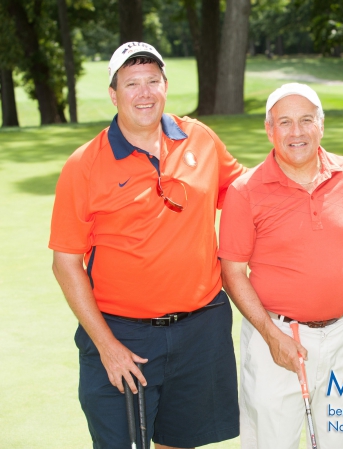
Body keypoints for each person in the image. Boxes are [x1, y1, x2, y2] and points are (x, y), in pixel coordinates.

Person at [49, 42, 245, 449]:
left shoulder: (200, 139)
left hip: (200, 328)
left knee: (180, 443)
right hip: (123, 335)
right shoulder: (84, 164)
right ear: (113, 93)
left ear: (166, 86)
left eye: (152, 81)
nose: (144, 93)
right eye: (132, 83)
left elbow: (245, 194)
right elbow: (66, 262)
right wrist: (108, 346)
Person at [219, 83, 343, 449]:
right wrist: (270, 335)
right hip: (276, 337)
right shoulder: (245, 190)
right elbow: (232, 273)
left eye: (306, 120)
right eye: (285, 122)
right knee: (272, 442)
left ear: (321, 125)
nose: (297, 132)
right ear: (270, 130)